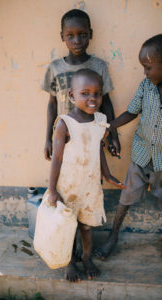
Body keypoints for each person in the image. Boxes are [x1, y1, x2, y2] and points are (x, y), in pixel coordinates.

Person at [95, 34, 162, 261]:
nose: (145, 73)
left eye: (148, 67)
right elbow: (132, 111)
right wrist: (110, 127)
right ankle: (113, 236)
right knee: (126, 198)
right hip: (141, 156)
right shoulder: (146, 86)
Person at [48, 69, 125, 282]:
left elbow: (97, 148)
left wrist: (107, 174)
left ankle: (87, 257)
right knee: (68, 228)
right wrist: (52, 189)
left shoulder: (100, 120)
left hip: (91, 186)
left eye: (97, 94)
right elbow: (56, 159)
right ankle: (69, 263)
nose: (92, 98)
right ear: (72, 96)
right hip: (69, 188)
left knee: (87, 226)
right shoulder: (64, 123)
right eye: (85, 93)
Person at [42, 9, 120, 160]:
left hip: (93, 136)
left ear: (91, 34)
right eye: (70, 36)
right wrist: (48, 139)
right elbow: (52, 104)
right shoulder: (55, 68)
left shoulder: (99, 66)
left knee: (92, 174)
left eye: (83, 34)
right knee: (65, 178)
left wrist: (114, 137)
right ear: (62, 36)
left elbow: (106, 103)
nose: (76, 40)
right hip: (64, 137)